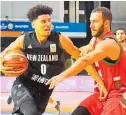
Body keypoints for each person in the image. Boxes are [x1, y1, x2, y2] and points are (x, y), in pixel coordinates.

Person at [0, 4, 107, 115]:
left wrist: (100, 83)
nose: (48, 24)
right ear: (33, 25)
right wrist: (2, 64)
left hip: (44, 90)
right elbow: (3, 54)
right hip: (24, 84)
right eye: (43, 21)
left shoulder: (60, 40)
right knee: (31, 113)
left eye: (49, 21)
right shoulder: (24, 40)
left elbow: (83, 61)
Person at [46, 7, 126, 115]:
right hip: (102, 93)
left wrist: (62, 75)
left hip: (119, 94)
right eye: (90, 21)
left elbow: (85, 60)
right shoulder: (95, 40)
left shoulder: (109, 44)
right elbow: (83, 51)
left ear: (106, 24)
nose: (91, 25)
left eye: (95, 22)